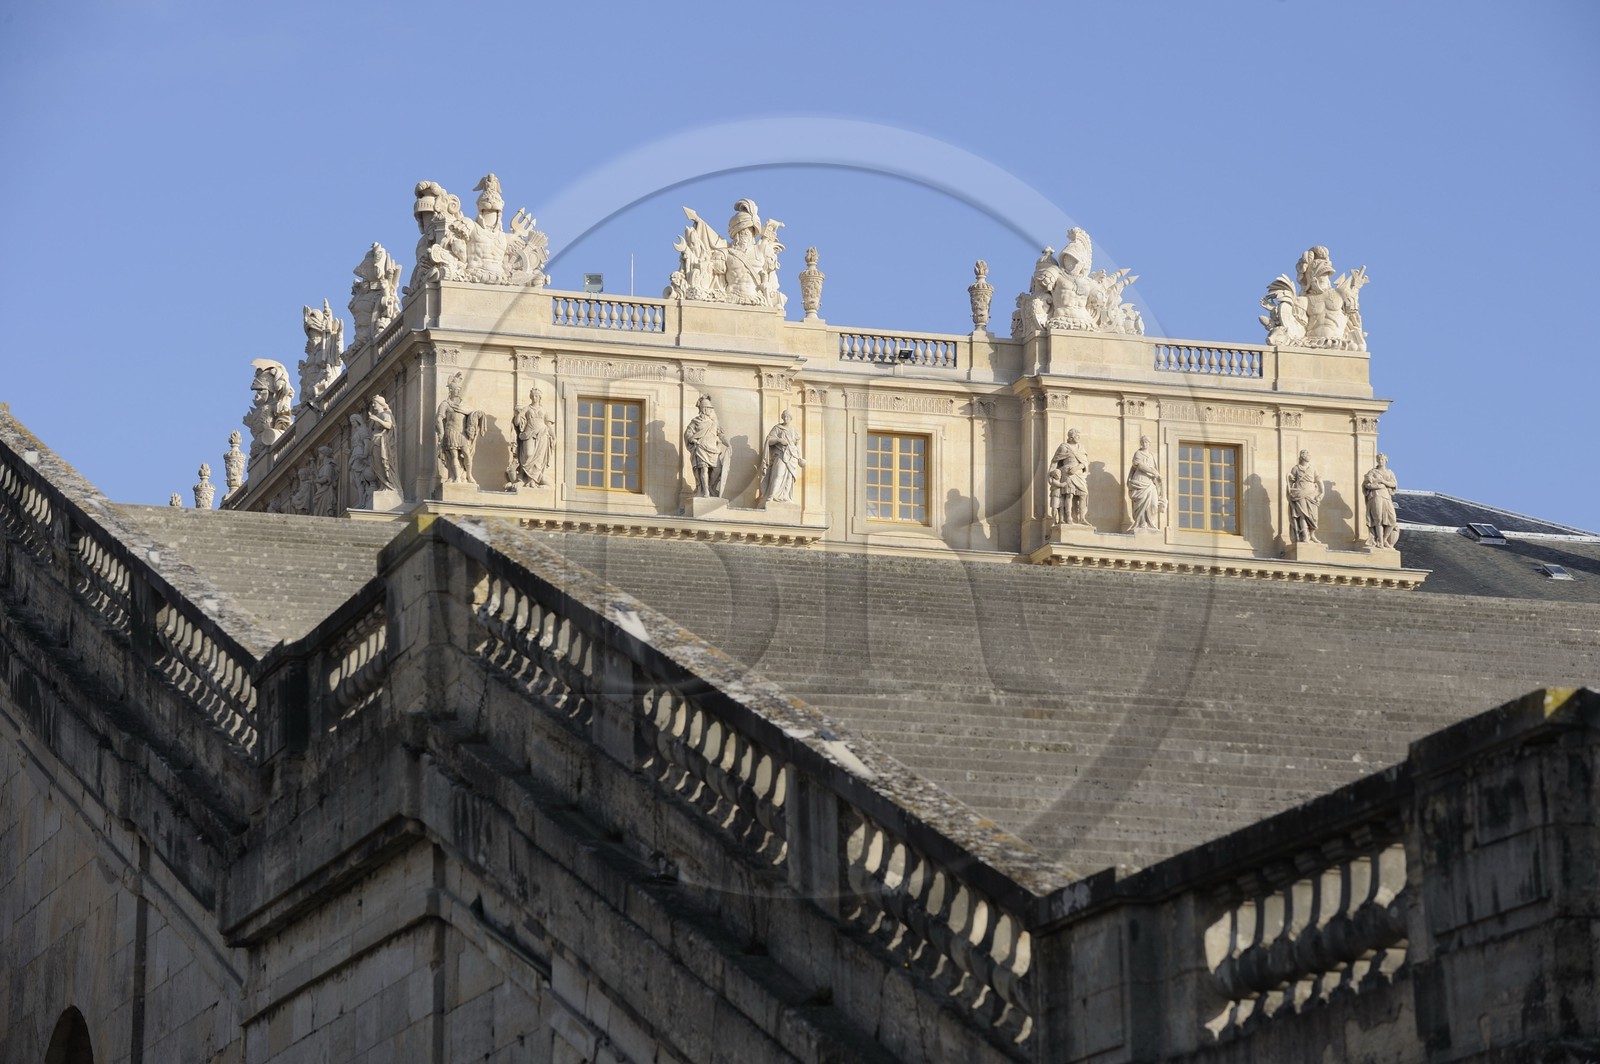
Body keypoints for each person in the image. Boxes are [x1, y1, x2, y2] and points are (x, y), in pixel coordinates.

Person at [510, 387, 555, 487]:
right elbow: (517, 423)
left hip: (542, 434)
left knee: (539, 459)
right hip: (529, 433)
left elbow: (548, 425)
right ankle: (524, 477)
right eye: (533, 396)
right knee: (528, 454)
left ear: (540, 397)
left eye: (536, 396)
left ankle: (532, 481)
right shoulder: (527, 408)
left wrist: (554, 437)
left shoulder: (544, 410)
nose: (534, 398)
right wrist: (517, 414)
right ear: (530, 397)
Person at [684, 395, 728, 497]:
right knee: (704, 469)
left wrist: (728, 444)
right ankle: (706, 491)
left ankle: (711, 486)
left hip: (713, 450)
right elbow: (688, 434)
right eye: (709, 408)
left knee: (718, 469)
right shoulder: (695, 422)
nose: (711, 410)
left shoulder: (714, 423)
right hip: (700, 448)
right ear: (704, 409)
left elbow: (721, 435)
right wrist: (693, 440)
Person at [758, 409, 804, 505]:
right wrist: (779, 440)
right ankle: (771, 496)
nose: (786, 418)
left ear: (791, 418)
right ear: (782, 417)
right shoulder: (777, 428)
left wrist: (800, 457)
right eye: (784, 416)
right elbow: (769, 440)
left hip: (793, 456)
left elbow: (798, 445)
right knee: (778, 474)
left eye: (788, 416)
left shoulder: (794, 430)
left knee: (789, 478)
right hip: (781, 453)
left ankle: (785, 497)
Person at [1364, 453, 1400, 548]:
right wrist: (1379, 485)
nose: (1380, 461)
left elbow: (1394, 484)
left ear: (1386, 460)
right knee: (1378, 518)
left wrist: (1383, 482)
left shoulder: (1389, 472)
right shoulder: (1372, 472)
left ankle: (1384, 539)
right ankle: (1379, 541)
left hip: (1386, 497)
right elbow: (1367, 484)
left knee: (1392, 520)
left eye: (1382, 459)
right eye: (1379, 459)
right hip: (1376, 496)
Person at [1287, 449, 1323, 543]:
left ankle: (1312, 535)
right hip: (1300, 493)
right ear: (1302, 456)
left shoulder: (1313, 468)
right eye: (1307, 454)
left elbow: (1319, 481)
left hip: (1312, 494)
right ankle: (1305, 535)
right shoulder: (1296, 468)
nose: (1309, 455)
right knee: (1303, 514)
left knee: (1313, 517)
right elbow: (1291, 482)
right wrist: (1289, 479)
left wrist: (1322, 492)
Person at [1127, 435, 1163, 530]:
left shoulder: (1151, 456)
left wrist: (1157, 477)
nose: (1144, 444)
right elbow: (1140, 466)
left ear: (1149, 444)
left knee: (1154, 504)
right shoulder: (1138, 453)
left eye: (1146, 442)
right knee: (1141, 503)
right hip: (1140, 480)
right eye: (1142, 442)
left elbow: (1155, 469)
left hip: (1150, 482)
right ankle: (1142, 523)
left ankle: (1150, 522)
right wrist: (1153, 472)